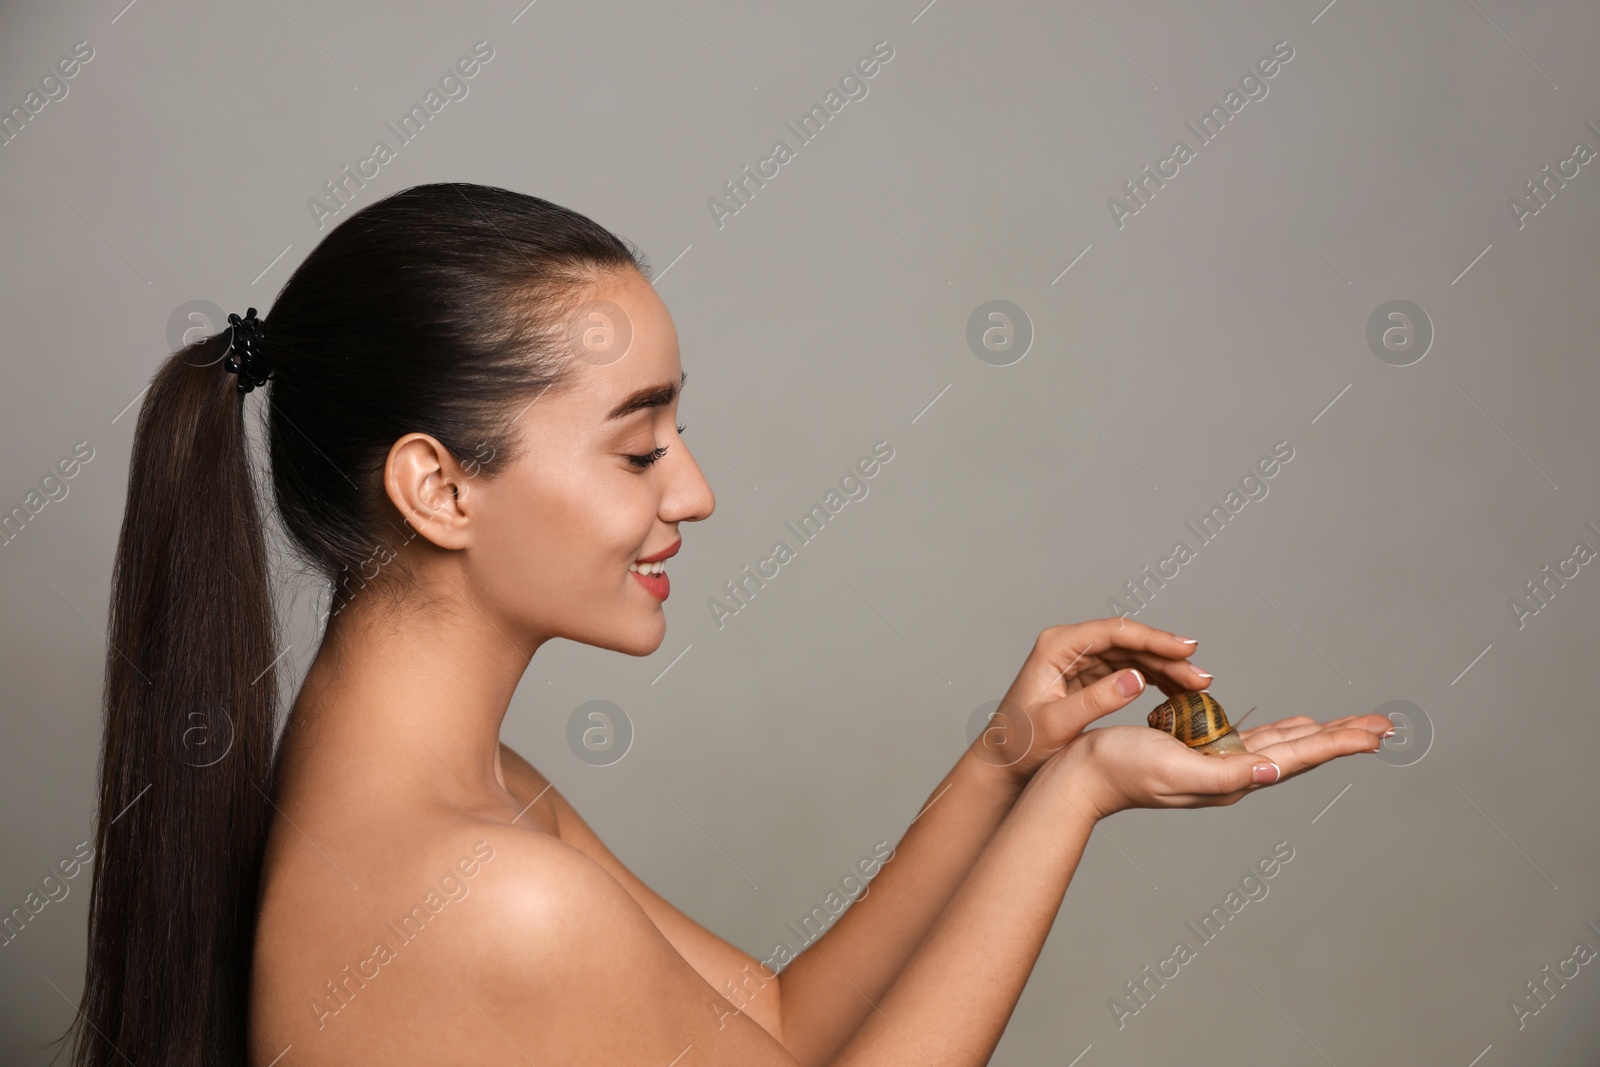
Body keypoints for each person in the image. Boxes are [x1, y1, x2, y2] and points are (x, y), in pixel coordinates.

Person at [65, 182, 1392, 1067]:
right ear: (438, 486)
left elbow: (773, 1022)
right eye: (638, 449)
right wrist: (1079, 797)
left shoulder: (459, 801)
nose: (693, 491)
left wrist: (1006, 766)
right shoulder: (489, 898)